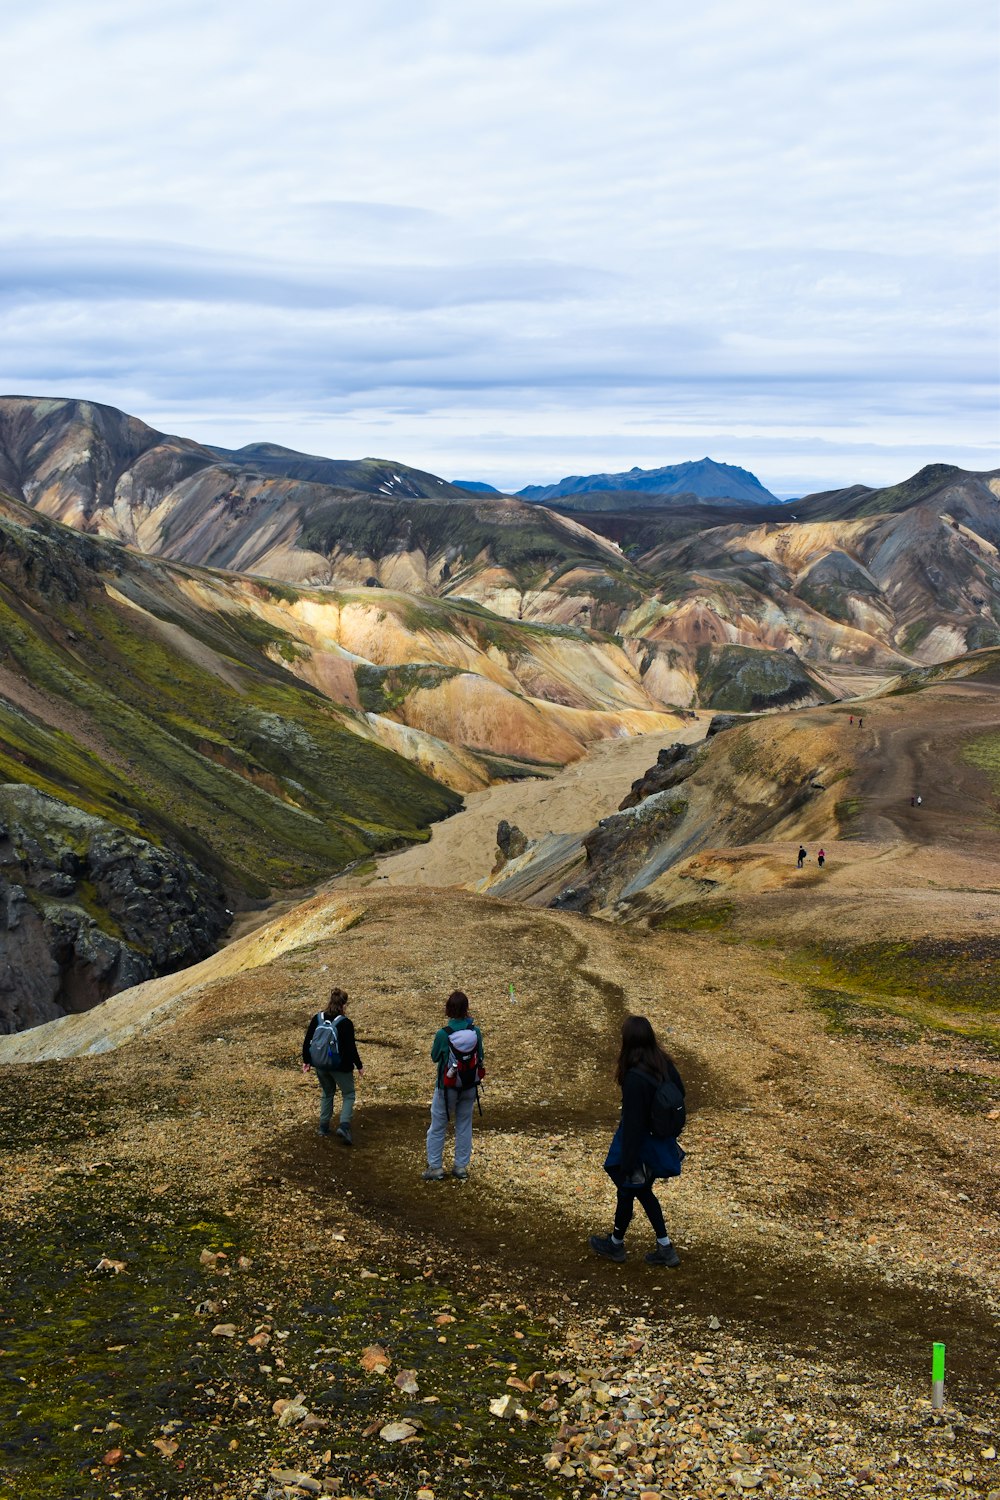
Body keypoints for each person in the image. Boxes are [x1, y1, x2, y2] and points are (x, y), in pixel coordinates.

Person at [590, 1015, 684, 1267]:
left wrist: (627, 1162)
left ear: (628, 1042)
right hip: (660, 1142)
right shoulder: (664, 1062)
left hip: (642, 1146)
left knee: (632, 1189)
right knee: (635, 1191)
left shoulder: (634, 1077)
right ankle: (622, 1243)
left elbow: (633, 1125)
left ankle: (629, 1246)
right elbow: (680, 1095)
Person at [423, 990, 484, 1182]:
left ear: (448, 1009)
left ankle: (435, 1167)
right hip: (469, 1085)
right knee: (464, 1125)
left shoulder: (443, 1034)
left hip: (446, 1086)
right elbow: (480, 1056)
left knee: (438, 1126)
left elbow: (434, 1057)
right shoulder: (475, 1032)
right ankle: (460, 1167)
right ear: (467, 1009)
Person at [302, 988, 363, 1144]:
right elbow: (351, 1048)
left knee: (327, 1092)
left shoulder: (318, 1018)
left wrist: (307, 1061)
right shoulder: (345, 1023)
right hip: (340, 1066)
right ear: (344, 1005)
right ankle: (344, 1126)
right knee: (348, 1094)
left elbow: (308, 1040)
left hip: (320, 1064)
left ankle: (323, 1127)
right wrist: (359, 1065)